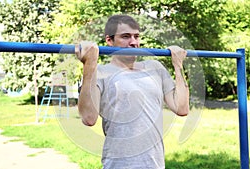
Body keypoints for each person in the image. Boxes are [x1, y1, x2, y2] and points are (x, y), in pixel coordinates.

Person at [75, 14, 189, 169]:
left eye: (136, 36)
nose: (134, 42)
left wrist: (178, 65)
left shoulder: (155, 67)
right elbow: (89, 118)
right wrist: (89, 64)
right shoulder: (100, 72)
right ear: (110, 41)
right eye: (126, 36)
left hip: (155, 165)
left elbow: (181, 108)